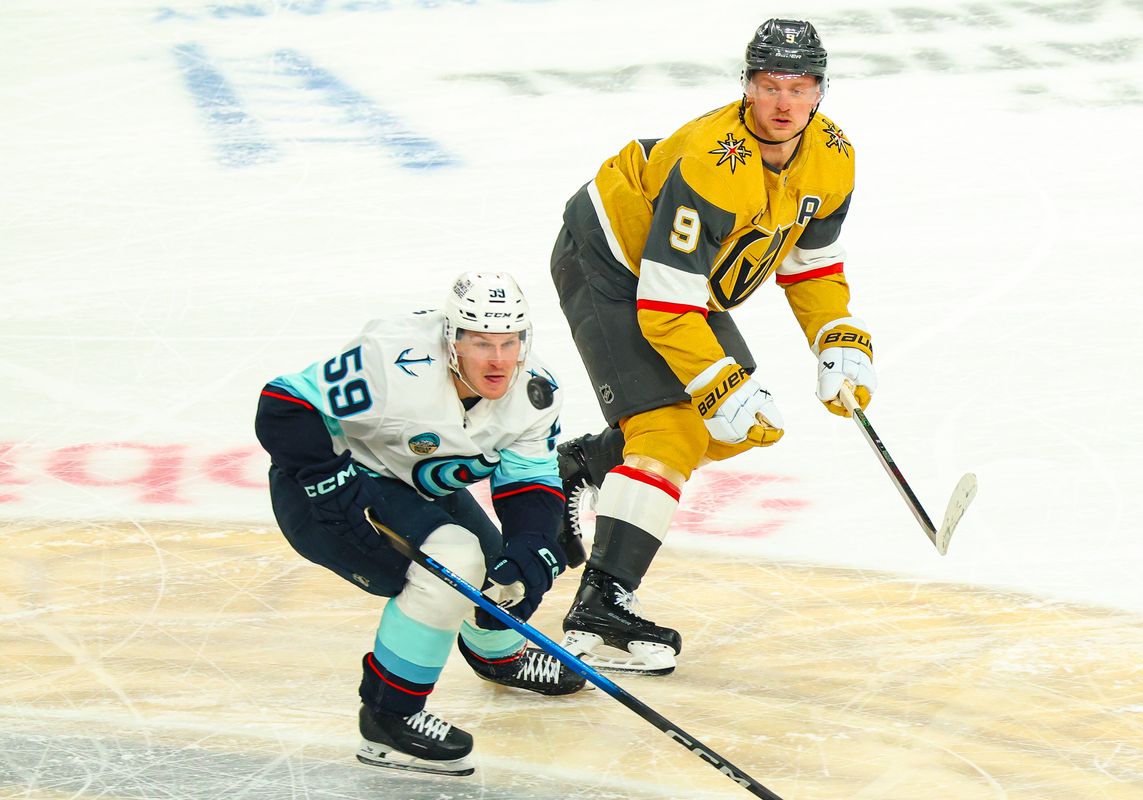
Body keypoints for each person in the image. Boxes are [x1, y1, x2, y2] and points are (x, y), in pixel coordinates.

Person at [549, 19, 877, 676]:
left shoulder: (833, 155)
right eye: (768, 84)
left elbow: (811, 264)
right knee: (674, 429)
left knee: (741, 426)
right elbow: (666, 308)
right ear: (747, 86)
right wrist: (719, 379)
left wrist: (835, 337)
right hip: (612, 262)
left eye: (800, 86)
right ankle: (601, 603)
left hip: (680, 280)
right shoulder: (711, 164)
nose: (784, 103)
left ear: (820, 92)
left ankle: (586, 463)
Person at [254, 271, 584, 777]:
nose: (499, 360)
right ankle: (389, 718)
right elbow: (284, 406)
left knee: (502, 569)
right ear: (452, 340)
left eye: (510, 342)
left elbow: (529, 482)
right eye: (481, 343)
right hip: (322, 488)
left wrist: (534, 541)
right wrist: (330, 484)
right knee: (451, 562)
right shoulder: (391, 358)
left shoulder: (535, 392)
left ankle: (497, 653)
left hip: (410, 484)